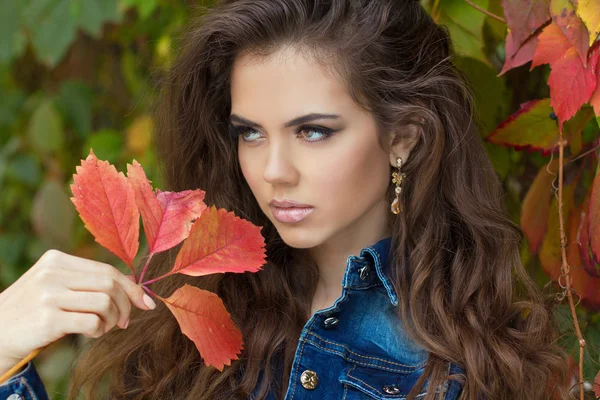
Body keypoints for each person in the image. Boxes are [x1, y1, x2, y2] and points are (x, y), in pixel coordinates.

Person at [0, 0, 574, 399]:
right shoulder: (186, 324)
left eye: (313, 131)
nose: (272, 171)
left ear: (403, 137)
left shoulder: (475, 363)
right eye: (249, 132)